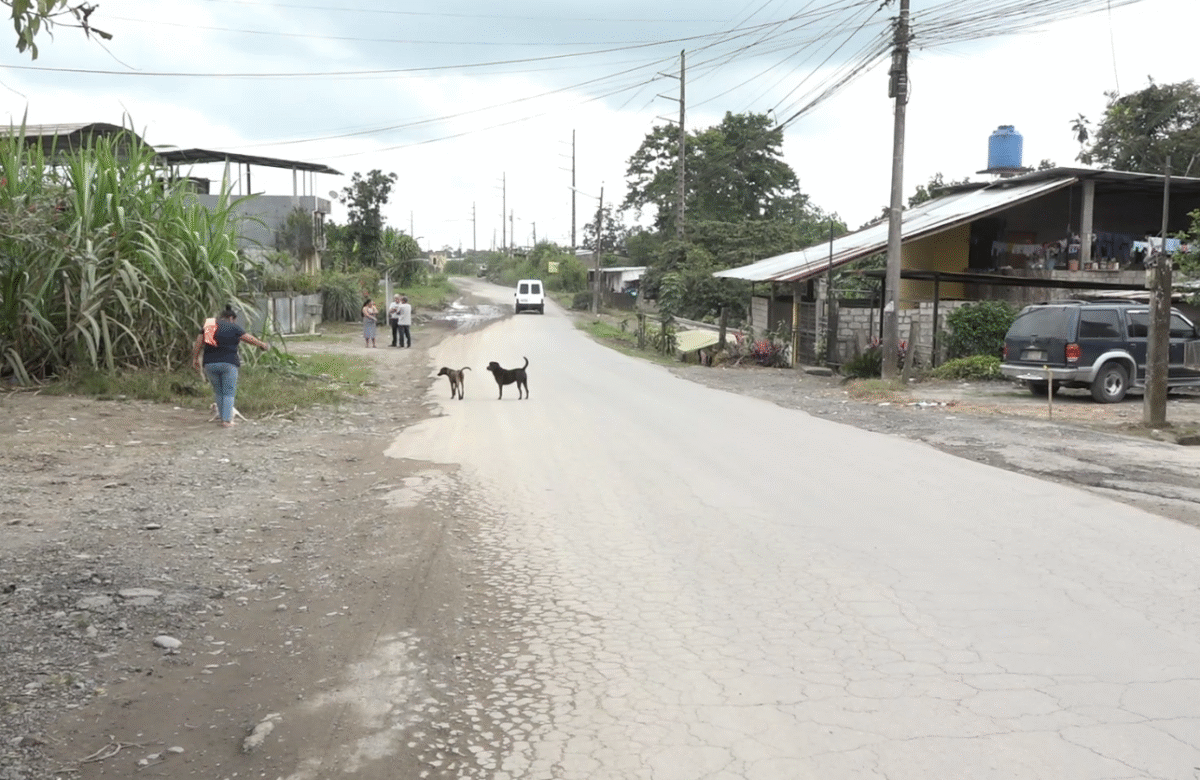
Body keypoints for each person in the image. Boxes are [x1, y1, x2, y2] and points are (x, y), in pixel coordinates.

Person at [191, 305, 269, 428]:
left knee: (219, 392)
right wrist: (262, 345)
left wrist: (195, 358)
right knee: (228, 392)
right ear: (231, 318)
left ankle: (223, 417)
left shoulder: (210, 324)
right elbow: (248, 339)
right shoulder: (233, 326)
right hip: (229, 364)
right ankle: (227, 421)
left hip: (210, 364)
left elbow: (198, 343)